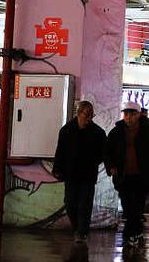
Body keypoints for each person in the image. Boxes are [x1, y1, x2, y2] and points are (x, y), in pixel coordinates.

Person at [105, 100, 149, 247]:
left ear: (139, 115)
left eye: (132, 114)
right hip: (124, 176)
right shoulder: (117, 132)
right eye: (126, 114)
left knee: (137, 207)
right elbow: (108, 151)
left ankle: (133, 233)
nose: (128, 117)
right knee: (127, 206)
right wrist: (111, 166)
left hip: (142, 176)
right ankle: (134, 232)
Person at [52, 101, 107, 244]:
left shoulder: (98, 133)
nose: (89, 119)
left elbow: (104, 153)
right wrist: (57, 169)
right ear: (78, 113)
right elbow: (60, 152)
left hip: (88, 174)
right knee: (70, 203)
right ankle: (78, 228)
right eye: (86, 115)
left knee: (85, 204)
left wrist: (94, 161)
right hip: (70, 174)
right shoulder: (66, 130)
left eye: (91, 116)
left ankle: (82, 232)